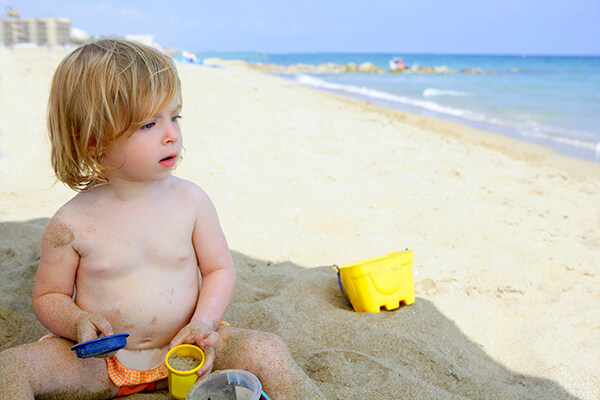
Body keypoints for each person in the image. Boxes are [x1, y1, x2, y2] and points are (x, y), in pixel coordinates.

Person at [0, 38, 323, 400]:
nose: (172, 135)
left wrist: (203, 323)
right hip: (104, 362)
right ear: (94, 141)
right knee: (10, 368)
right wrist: (76, 322)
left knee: (269, 349)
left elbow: (219, 270)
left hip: (189, 351)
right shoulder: (70, 224)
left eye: (175, 116)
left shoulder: (191, 201)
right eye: (149, 125)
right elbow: (49, 295)